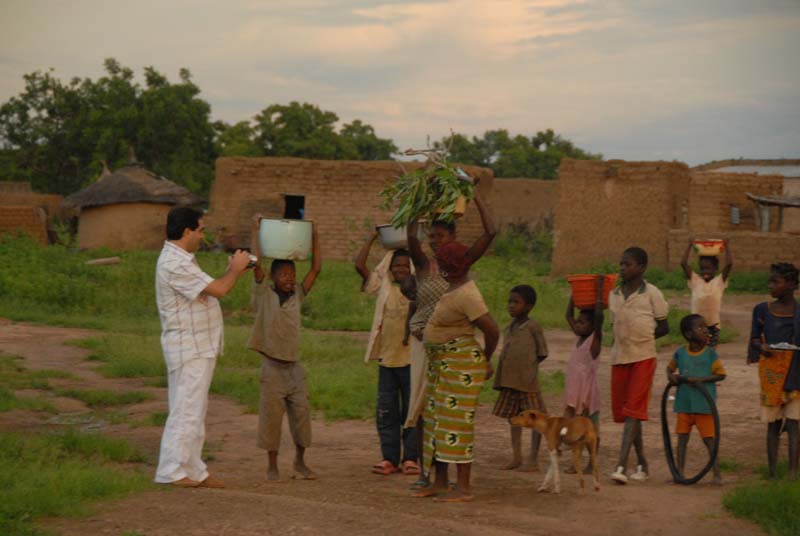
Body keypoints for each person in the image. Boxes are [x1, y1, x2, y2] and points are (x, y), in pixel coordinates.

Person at [154, 206, 252, 488]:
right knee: (186, 409)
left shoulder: (184, 259)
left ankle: (193, 469)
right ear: (187, 231)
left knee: (194, 410)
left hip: (199, 345)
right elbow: (221, 290)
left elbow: (211, 287)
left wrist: (232, 271)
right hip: (189, 346)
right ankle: (171, 470)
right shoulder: (174, 263)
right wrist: (234, 271)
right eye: (200, 229)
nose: (202, 235)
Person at [404, 190, 496, 487]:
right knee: (423, 412)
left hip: (451, 353)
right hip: (425, 347)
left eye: (440, 235)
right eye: (431, 236)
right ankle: (427, 473)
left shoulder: (459, 266)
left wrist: (473, 194)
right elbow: (411, 239)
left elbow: (490, 232)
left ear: (453, 237)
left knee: (444, 414)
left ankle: (442, 475)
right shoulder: (425, 265)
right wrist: (416, 204)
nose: (434, 240)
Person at [413, 241, 500, 502]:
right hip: (443, 366)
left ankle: (464, 487)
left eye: (439, 259)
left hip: (460, 367)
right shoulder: (452, 288)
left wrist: (485, 360)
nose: (436, 263)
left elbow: (492, 330)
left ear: (448, 264)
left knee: (457, 425)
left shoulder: (467, 294)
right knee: (436, 423)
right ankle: (440, 482)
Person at [248, 215, 321, 481]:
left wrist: (315, 236)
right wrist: (255, 232)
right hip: (272, 369)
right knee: (271, 421)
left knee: (302, 419)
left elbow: (316, 270)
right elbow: (255, 266)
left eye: (292, 274)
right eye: (284, 274)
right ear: (273, 276)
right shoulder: (263, 294)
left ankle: (300, 462)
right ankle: (272, 466)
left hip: (295, 369)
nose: (290, 278)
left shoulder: (298, 296)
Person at [355, 232, 419, 476]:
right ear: (390, 268)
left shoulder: (417, 287)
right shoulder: (384, 287)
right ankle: (389, 458)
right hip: (387, 360)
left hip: (412, 361)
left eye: (405, 265)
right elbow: (359, 265)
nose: (401, 269)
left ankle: (411, 458)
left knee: (411, 412)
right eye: (396, 265)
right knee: (387, 411)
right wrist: (372, 237)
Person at [608, 246, 670, 484]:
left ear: (642, 267)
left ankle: (621, 465)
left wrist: (644, 340)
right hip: (620, 357)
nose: (623, 268)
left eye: (628, 264)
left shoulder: (651, 293)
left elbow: (664, 327)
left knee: (634, 409)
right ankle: (642, 463)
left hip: (643, 357)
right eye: (621, 264)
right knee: (628, 413)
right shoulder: (614, 294)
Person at [748, 262, 800, 480]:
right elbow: (753, 339)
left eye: (775, 281)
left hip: (795, 372)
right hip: (770, 375)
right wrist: (762, 348)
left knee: (794, 424)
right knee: (772, 424)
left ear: (789, 284)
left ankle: (792, 473)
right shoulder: (762, 310)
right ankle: (771, 474)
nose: (770, 285)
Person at [492, 285, 549, 471]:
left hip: (527, 383)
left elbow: (542, 353)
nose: (511, 306)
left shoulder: (533, 327)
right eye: (510, 302)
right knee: (513, 419)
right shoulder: (508, 328)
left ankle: (533, 459)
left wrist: (528, 370)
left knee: (537, 420)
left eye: (516, 302)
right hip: (509, 381)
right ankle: (516, 457)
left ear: (529, 306)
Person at [667, 314, 726, 485]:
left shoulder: (710, 354)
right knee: (682, 440)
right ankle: (679, 473)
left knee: (709, 441)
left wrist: (701, 380)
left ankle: (717, 475)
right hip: (684, 405)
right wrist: (672, 377)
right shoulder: (680, 353)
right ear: (688, 334)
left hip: (704, 406)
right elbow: (669, 369)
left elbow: (721, 375)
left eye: (706, 327)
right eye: (700, 327)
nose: (706, 330)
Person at [563, 276, 604, 475]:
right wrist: (575, 293)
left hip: (588, 394)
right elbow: (568, 316)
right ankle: (576, 462)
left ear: (592, 326)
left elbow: (599, 318)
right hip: (574, 391)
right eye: (577, 322)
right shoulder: (580, 338)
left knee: (591, 431)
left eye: (582, 323)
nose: (577, 325)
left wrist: (598, 291)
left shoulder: (594, 342)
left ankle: (591, 463)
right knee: (574, 427)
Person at [680, 238, 733, 347]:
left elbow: (729, 264)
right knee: (695, 352)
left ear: (715, 269)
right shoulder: (695, 281)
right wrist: (689, 245)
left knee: (709, 355)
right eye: (702, 269)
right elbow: (683, 263)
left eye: (708, 268)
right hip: (695, 327)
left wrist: (727, 246)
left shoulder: (719, 282)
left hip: (713, 326)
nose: (705, 272)